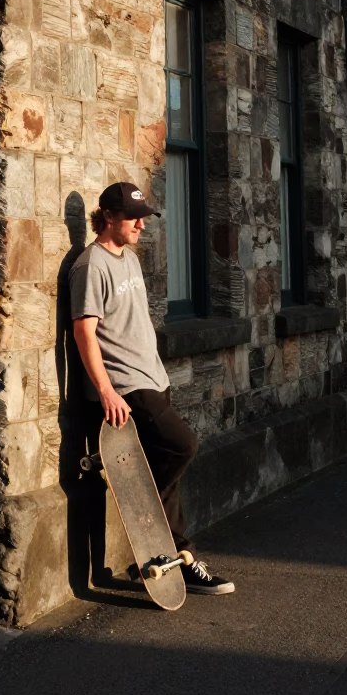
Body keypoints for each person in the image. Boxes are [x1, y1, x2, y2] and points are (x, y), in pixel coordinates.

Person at [70, 180, 235, 595]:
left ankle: (177, 557)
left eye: (143, 219)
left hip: (153, 379)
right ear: (108, 217)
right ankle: (147, 516)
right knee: (184, 447)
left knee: (171, 471)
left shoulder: (128, 259)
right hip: (127, 387)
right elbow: (84, 332)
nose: (140, 226)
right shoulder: (90, 266)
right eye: (132, 218)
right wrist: (106, 390)